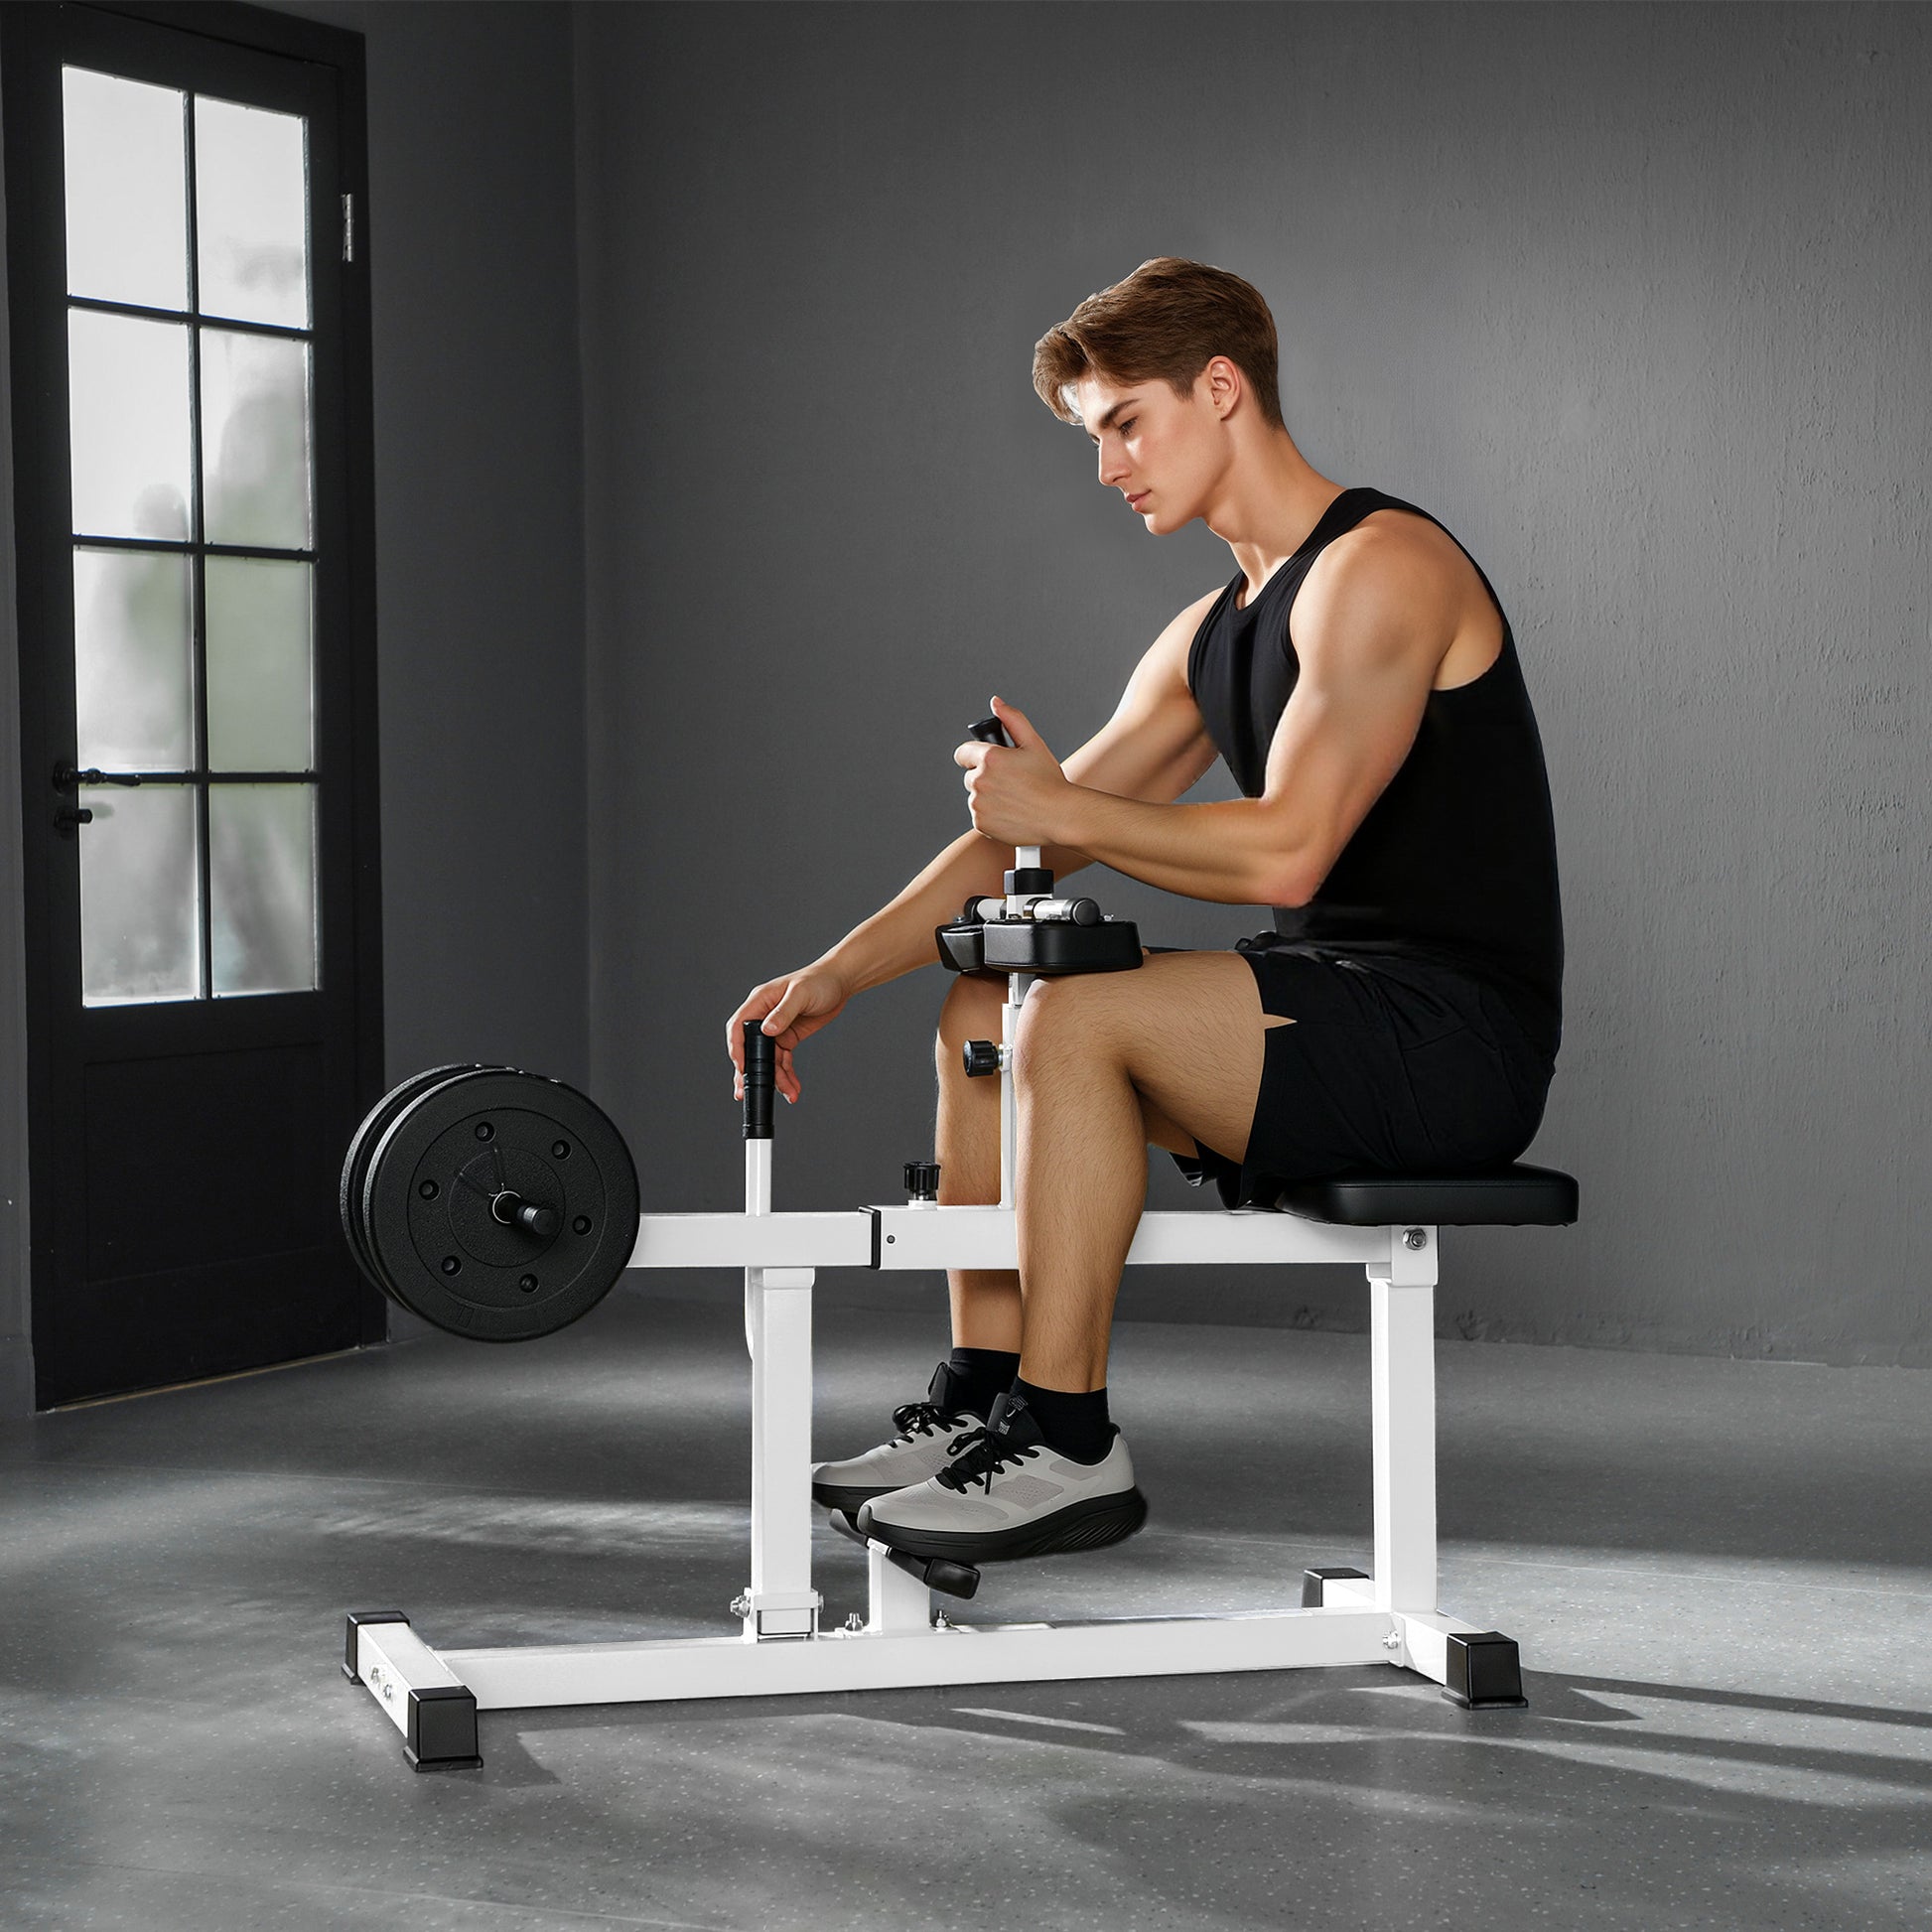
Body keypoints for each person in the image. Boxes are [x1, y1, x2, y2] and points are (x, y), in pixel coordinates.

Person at [725, 257, 1563, 1569]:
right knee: (978, 1009)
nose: (1107, 466)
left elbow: (1287, 850)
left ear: (1219, 389)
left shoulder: (1382, 567)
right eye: (1090, 437)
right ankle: (981, 1404)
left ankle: (1067, 1438)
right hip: (1319, 1012)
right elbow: (1028, 838)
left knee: (1072, 1010)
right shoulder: (1206, 632)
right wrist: (835, 971)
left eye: (1125, 422)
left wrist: (1055, 805)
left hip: (1450, 1034)